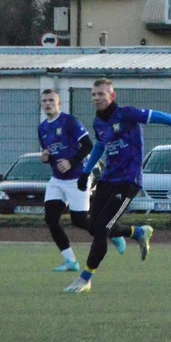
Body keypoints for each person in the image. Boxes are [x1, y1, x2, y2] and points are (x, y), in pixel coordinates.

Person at [64, 78, 171, 294]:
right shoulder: (99, 121)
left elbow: (162, 117)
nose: (96, 98)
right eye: (93, 94)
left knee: (101, 230)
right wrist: (85, 172)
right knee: (94, 225)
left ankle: (85, 278)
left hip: (128, 181)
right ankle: (138, 232)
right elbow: (99, 145)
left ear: (112, 96)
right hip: (107, 179)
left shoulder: (127, 114)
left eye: (101, 94)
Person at [37, 89, 127, 272]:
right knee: (51, 219)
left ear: (59, 104)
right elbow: (52, 155)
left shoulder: (69, 121)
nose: (48, 104)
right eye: (45, 101)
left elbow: (88, 145)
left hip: (77, 177)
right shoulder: (42, 128)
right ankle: (70, 261)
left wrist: (71, 162)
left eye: (51, 100)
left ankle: (114, 231)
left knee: (79, 220)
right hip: (57, 180)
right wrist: (46, 158)